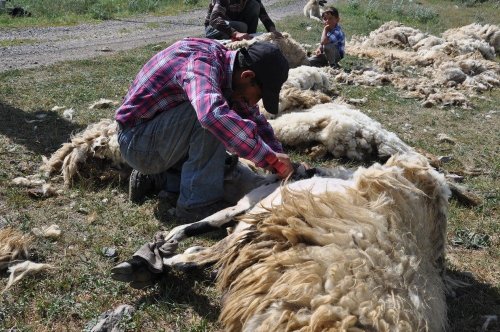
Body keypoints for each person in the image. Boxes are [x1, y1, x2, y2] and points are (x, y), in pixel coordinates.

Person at [115, 38, 293, 222]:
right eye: (259, 96)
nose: (256, 102)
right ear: (247, 76)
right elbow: (211, 116)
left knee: (220, 166)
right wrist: (267, 158)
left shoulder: (226, 67)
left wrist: (278, 156)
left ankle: (161, 179)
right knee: (212, 117)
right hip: (137, 142)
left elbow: (253, 116)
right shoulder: (201, 62)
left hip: (159, 137)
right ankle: (196, 205)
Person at [204, 0, 283, 41]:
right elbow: (214, 19)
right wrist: (235, 33)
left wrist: (272, 30)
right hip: (213, 28)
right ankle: (235, 40)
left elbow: (263, 15)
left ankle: (250, 39)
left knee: (255, 5)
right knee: (242, 27)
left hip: (234, 23)